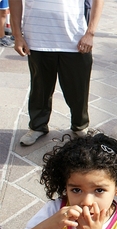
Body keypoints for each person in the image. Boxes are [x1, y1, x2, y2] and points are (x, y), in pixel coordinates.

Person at [9, 0, 104, 146]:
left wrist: (90, 33)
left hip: (75, 38)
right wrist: (17, 35)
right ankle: (37, 126)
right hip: (37, 37)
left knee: (78, 89)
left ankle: (80, 125)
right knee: (39, 89)